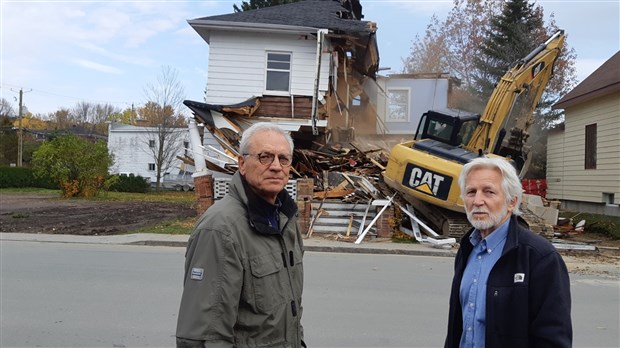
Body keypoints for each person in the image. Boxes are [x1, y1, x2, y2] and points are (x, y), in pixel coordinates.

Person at [176, 122, 305, 347]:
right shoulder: (220, 229)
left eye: (283, 159)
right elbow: (205, 335)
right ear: (242, 164)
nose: (276, 166)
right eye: (265, 157)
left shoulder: (285, 220)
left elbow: (289, 309)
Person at [445, 157, 572, 348]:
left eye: (489, 192)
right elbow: (458, 328)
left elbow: (553, 339)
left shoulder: (539, 257)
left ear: (511, 202)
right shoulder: (467, 249)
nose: (478, 201)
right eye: (471, 192)